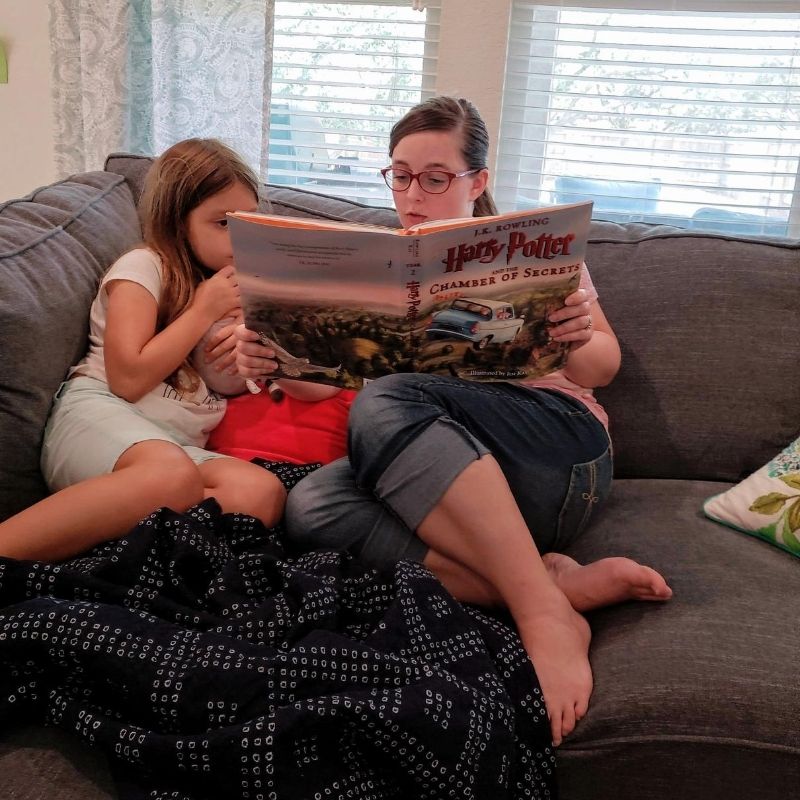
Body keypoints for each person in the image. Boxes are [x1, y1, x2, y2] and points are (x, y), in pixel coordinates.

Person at [234, 96, 673, 747]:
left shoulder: (530, 252)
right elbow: (313, 386)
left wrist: (578, 335)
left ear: (478, 181)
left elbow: (601, 368)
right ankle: (547, 583)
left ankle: (538, 615)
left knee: (385, 400)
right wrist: (271, 358)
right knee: (313, 502)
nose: (414, 193)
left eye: (436, 177)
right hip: (451, 494)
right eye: (401, 175)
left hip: (556, 455)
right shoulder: (368, 267)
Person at [0, 138, 286, 562]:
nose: (240, 238)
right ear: (177, 222)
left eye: (249, 221)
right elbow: (127, 379)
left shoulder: (229, 288)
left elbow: (225, 383)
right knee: (169, 478)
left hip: (172, 445)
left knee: (261, 492)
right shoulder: (144, 267)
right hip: (101, 415)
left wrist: (258, 347)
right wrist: (202, 310)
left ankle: (104, 550)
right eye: (223, 223)